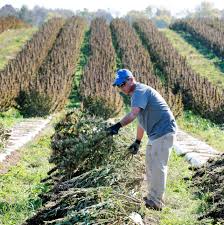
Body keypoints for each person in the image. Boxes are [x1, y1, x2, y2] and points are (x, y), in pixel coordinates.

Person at [107, 69, 177, 211]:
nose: (121, 88)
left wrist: (117, 126)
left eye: (122, 84)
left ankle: (156, 202)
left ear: (131, 79)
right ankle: (152, 197)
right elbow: (140, 121)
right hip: (155, 134)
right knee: (150, 164)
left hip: (164, 130)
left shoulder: (140, 91)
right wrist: (137, 141)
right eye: (119, 86)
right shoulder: (135, 96)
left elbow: (133, 114)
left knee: (158, 166)